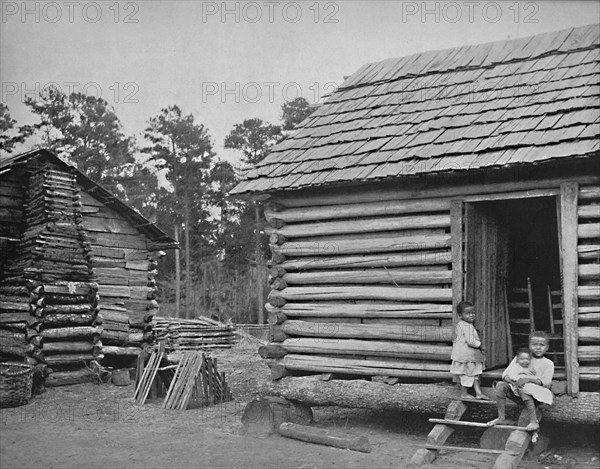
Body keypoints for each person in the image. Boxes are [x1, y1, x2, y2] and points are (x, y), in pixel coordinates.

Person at [488, 331, 554, 431]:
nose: (538, 347)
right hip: (518, 392)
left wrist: (527, 380)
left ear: (547, 347)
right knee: (500, 385)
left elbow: (546, 382)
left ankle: (533, 422)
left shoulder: (548, 363)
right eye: (534, 344)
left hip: (537, 397)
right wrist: (514, 382)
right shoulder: (521, 358)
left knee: (525, 388)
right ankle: (501, 417)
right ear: (529, 345)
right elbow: (505, 375)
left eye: (542, 345)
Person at [450, 301, 489, 400]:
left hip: (469, 357)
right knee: (467, 375)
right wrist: (480, 345)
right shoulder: (466, 326)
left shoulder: (461, 324)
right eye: (468, 313)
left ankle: (478, 393)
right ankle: (464, 393)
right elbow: (471, 341)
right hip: (467, 357)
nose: (471, 315)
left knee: (474, 374)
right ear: (460, 315)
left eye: (473, 312)